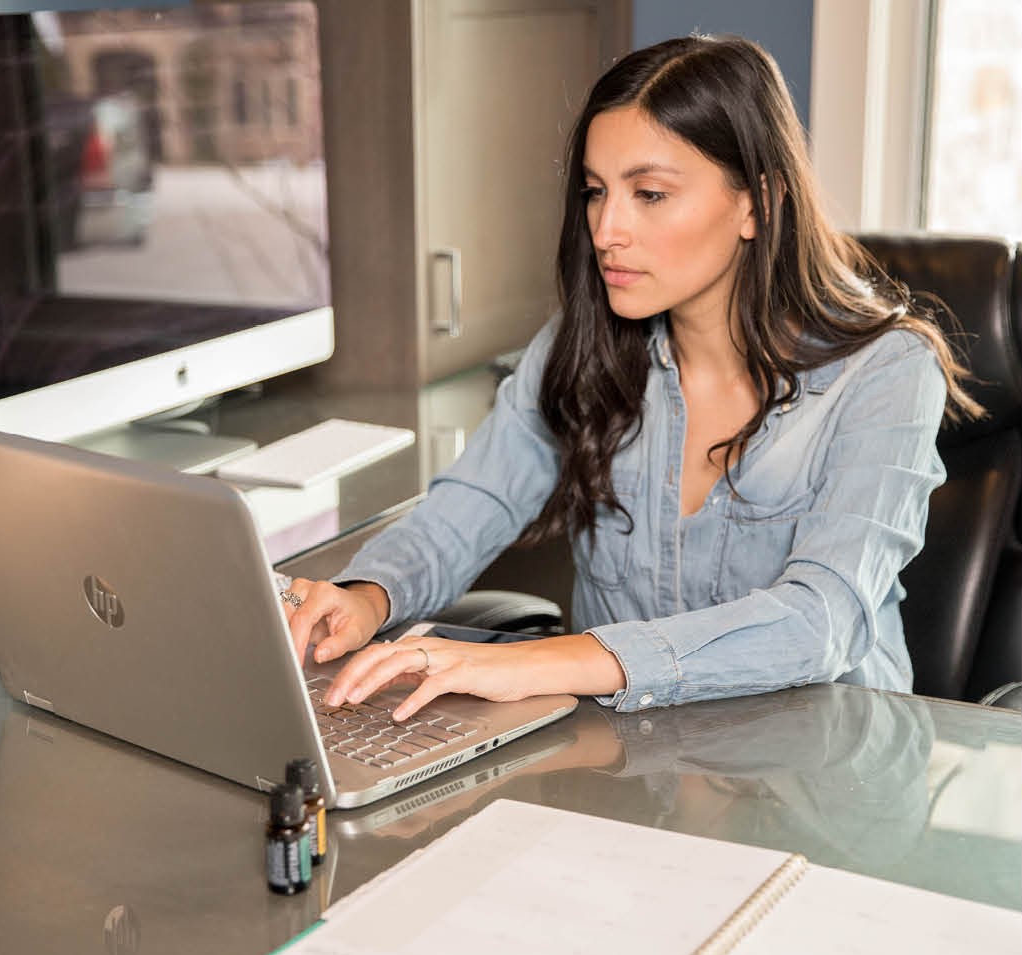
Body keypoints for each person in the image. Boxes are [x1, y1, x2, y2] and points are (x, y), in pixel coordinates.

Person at [279, 33, 980, 720]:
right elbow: (469, 507)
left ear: (755, 204)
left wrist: (542, 662)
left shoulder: (886, 373)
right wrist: (369, 594)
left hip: (820, 773)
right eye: (594, 191)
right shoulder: (582, 348)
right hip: (630, 763)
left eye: (648, 193)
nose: (606, 227)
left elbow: (818, 619)